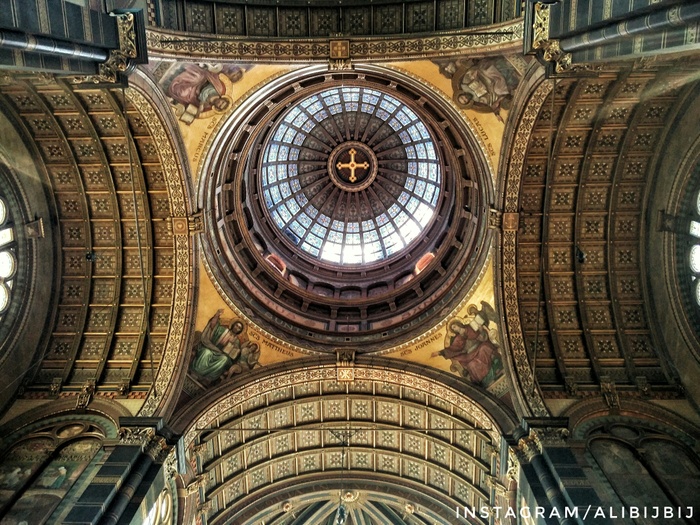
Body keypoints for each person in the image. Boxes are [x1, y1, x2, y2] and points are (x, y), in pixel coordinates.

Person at [432, 318, 502, 386]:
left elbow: (483, 337)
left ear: (458, 324)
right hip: (470, 355)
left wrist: (481, 330)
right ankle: (486, 381)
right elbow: (453, 349)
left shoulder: (470, 327)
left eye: (454, 327)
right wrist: (440, 352)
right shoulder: (458, 338)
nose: (454, 329)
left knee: (485, 348)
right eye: (453, 329)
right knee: (472, 365)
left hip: (479, 346)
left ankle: (497, 366)